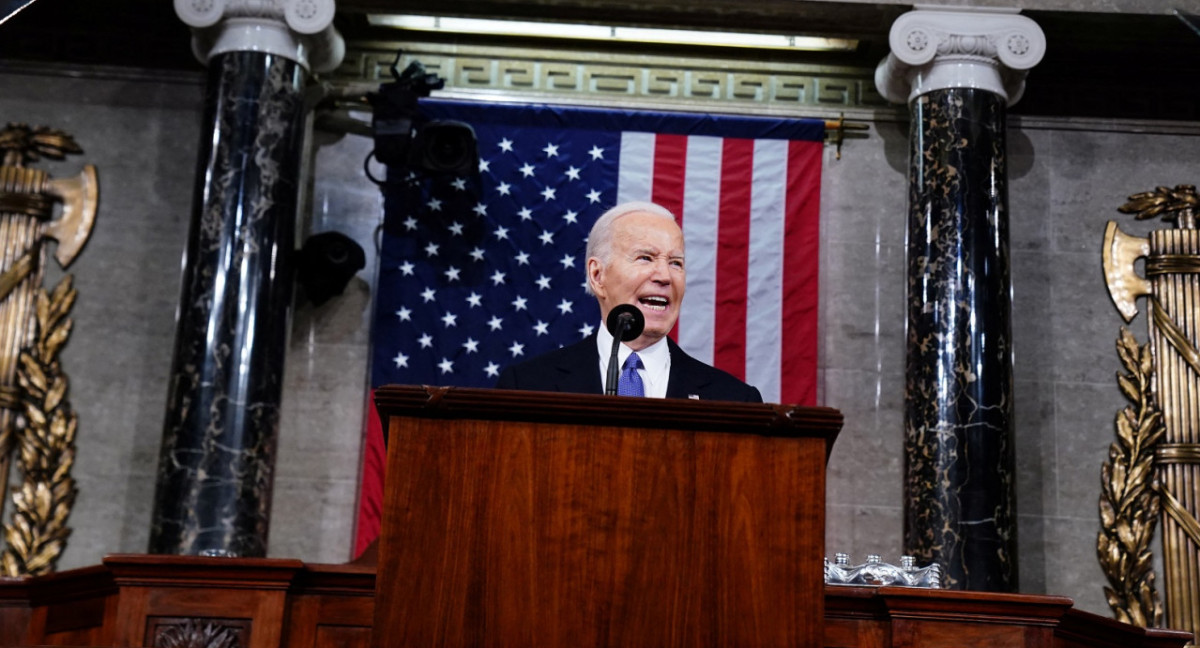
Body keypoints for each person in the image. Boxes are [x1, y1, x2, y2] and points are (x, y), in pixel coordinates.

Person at [495, 201, 763, 403]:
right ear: (597, 275)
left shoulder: (734, 400)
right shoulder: (527, 387)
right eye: (645, 258)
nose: (665, 276)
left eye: (675, 263)